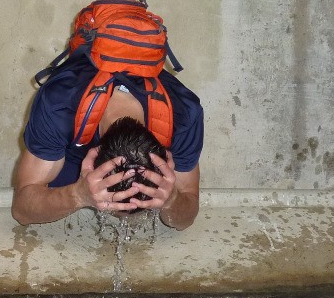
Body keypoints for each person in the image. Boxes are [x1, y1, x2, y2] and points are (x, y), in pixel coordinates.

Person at [11, 45, 204, 230]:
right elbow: (22, 211)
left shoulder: (184, 115)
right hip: (72, 143)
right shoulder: (59, 105)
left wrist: (171, 200)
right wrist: (78, 195)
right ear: (91, 158)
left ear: (165, 157)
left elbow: (185, 219)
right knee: (55, 189)